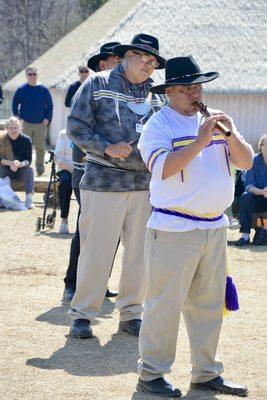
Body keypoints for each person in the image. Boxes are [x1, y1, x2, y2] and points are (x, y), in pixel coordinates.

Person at [136, 56, 253, 398]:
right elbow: (164, 169)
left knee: (208, 304)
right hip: (173, 230)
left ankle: (206, 372)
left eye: (198, 85)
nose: (195, 92)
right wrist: (201, 142)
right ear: (169, 91)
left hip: (214, 228)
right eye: (187, 87)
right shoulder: (158, 125)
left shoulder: (216, 120)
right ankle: (152, 374)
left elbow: (244, 162)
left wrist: (230, 137)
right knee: (164, 305)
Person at [67, 33, 166, 339]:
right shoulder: (97, 83)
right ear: (127, 56)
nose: (149, 66)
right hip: (103, 182)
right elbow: (75, 126)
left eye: (153, 62)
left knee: (140, 255)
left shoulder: (157, 94)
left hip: (143, 186)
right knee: (96, 252)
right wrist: (105, 146)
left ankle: (131, 314)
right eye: (144, 59)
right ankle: (83, 314)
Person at [63, 43, 121, 302]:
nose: (121, 66)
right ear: (103, 65)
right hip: (87, 170)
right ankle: (73, 282)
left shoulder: (124, 94)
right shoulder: (90, 89)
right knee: (86, 229)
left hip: (117, 176)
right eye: (116, 60)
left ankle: (100, 282)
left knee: (112, 232)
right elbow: (78, 131)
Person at [12, 66, 53, 176]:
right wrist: (18, 118)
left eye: (34, 74)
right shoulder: (21, 90)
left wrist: (47, 119)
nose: (32, 76)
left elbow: (50, 106)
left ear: (37, 75)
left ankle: (40, 170)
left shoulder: (43, 89)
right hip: (25, 124)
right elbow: (14, 104)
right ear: (26, 76)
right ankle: (23, 169)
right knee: (24, 147)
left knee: (40, 148)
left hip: (40, 124)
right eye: (30, 74)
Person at [235, 134, 267, 246]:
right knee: (246, 196)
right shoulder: (253, 161)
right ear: (261, 146)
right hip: (257, 198)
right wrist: (262, 191)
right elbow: (249, 185)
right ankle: (245, 236)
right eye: (265, 144)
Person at [0, 116, 34, 209]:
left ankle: (29, 199)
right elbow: (0, 159)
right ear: (6, 128)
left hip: (20, 170)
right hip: (5, 170)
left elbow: (28, 160)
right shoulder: (2, 139)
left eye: (16, 127)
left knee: (29, 170)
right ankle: (2, 199)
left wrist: (19, 164)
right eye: (11, 128)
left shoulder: (26, 140)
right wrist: (11, 163)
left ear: (20, 128)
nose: (13, 130)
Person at [54, 129, 73, 234]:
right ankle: (64, 220)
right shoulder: (63, 134)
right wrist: (72, 169)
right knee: (65, 183)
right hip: (66, 168)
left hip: (85, 170)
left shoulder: (89, 132)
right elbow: (58, 158)